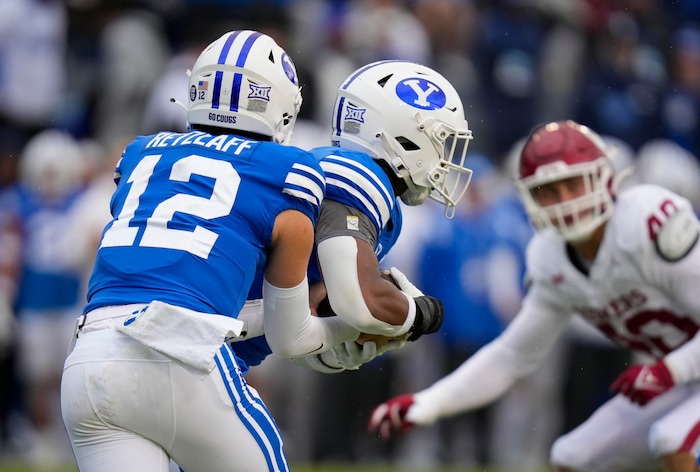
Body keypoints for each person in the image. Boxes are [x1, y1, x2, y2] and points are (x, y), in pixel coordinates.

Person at [60, 30, 363, 472]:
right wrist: (349, 326)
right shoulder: (288, 170)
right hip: (178, 356)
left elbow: (163, 288)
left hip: (89, 357)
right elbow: (291, 335)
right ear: (279, 103)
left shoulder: (141, 155)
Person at [368, 120, 700, 472]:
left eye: (572, 185)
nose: (564, 202)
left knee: (672, 440)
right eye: (549, 191)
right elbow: (511, 356)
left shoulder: (646, 220)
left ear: (602, 177)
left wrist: (670, 369)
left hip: (681, 369)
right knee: (569, 456)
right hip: (682, 374)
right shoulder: (549, 256)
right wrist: (428, 404)